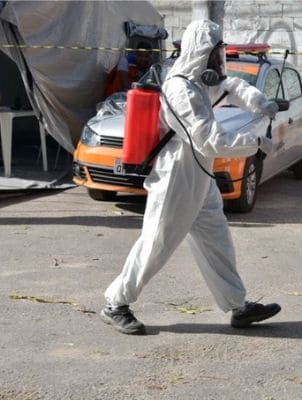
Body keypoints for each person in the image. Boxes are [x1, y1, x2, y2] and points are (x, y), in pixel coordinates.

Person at [100, 20, 281, 335]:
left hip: (200, 175)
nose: (217, 61)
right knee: (156, 244)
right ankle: (116, 303)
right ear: (201, 52)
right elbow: (209, 140)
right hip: (177, 177)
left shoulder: (199, 80)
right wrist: (255, 144)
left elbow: (231, 86)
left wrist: (259, 101)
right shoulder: (181, 88)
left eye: (219, 54)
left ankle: (238, 307)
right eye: (214, 54)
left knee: (218, 242)